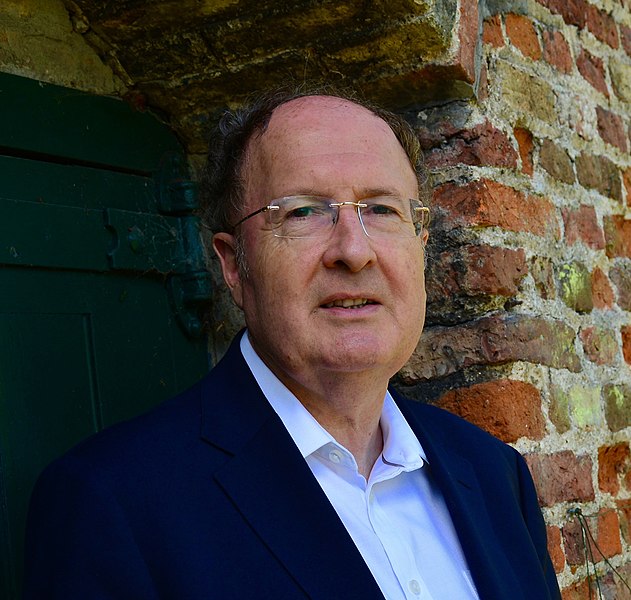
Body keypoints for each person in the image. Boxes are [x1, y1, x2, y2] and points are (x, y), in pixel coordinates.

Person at [24, 87, 561, 600]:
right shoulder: (112, 503)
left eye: (381, 210)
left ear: (420, 246)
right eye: (303, 211)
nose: (354, 251)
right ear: (234, 265)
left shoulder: (495, 476)